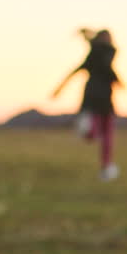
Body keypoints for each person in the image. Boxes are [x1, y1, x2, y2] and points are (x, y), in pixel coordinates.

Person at [52, 28, 122, 181]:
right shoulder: (108, 52)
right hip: (102, 99)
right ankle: (106, 167)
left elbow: (76, 70)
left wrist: (59, 88)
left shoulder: (94, 54)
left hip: (93, 99)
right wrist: (118, 81)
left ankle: (86, 128)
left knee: (96, 134)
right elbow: (107, 68)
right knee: (107, 135)